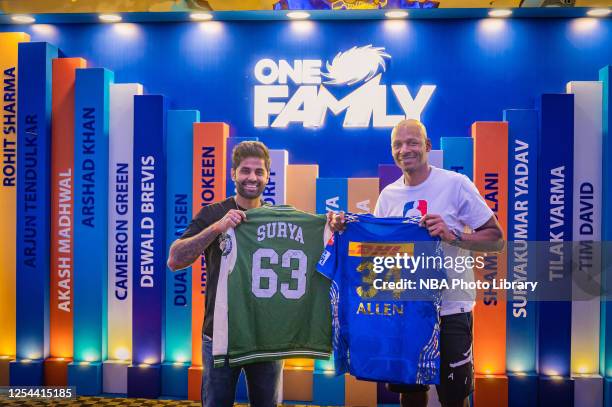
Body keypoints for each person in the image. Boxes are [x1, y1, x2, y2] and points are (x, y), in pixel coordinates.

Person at [328, 119, 504, 407]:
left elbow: (496, 239)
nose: (405, 149)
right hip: (405, 309)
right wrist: (346, 229)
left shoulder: (455, 185)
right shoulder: (389, 195)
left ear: (428, 147)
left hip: (451, 309)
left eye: (412, 142)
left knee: (453, 396)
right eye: (398, 144)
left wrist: (453, 234)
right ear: (392, 151)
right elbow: (379, 255)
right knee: (409, 393)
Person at [167, 141, 282, 407]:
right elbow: (175, 259)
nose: (251, 177)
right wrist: (216, 229)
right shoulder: (212, 214)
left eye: (259, 171)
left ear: (267, 176)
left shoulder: (277, 218)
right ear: (233, 174)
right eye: (245, 170)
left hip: (266, 337)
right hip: (219, 335)